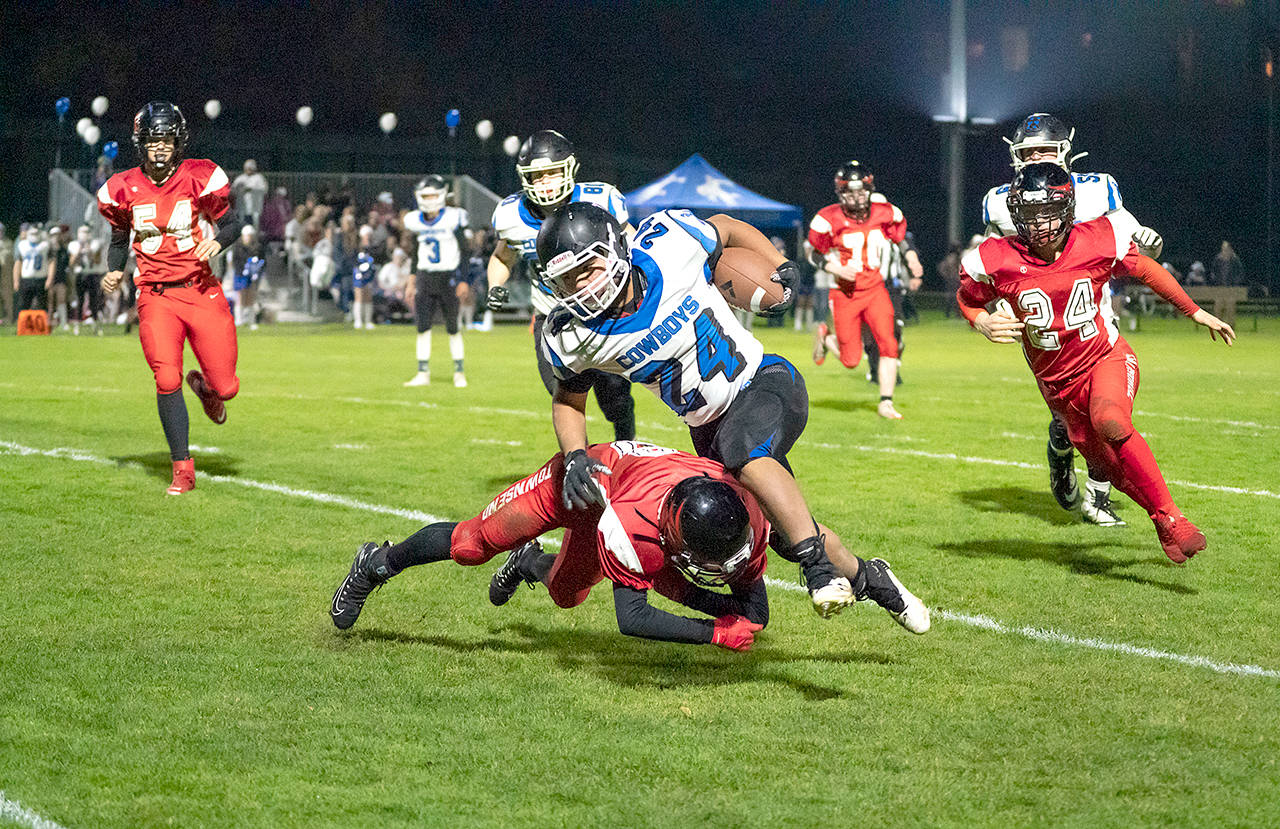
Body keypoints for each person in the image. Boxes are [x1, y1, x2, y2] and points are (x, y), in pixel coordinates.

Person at [535, 201, 929, 630]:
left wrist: (779, 262)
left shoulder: (669, 244)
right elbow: (568, 399)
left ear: (615, 249)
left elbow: (725, 227)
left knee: (743, 448)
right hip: (708, 430)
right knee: (781, 531)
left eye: (587, 269)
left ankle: (818, 570)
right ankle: (873, 580)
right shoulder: (577, 336)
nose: (581, 286)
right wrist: (574, 454)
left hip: (764, 382)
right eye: (567, 279)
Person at [330, 441, 924, 648]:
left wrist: (738, 619)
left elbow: (753, 607)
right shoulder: (635, 527)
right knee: (471, 543)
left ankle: (532, 564)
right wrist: (714, 633)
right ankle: (375, 564)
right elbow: (632, 618)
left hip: (651, 505)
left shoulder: (747, 513)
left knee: (566, 594)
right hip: (588, 486)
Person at [956, 163, 1235, 562]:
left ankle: (1174, 517)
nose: (1038, 223)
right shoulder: (995, 257)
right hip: (1058, 386)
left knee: (1112, 421)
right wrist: (981, 321)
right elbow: (968, 298)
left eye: (1047, 211)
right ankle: (1161, 518)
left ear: (1067, 209)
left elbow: (1145, 269)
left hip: (1105, 356)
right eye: (1030, 213)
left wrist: (1194, 311)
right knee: (1112, 469)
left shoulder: (1097, 238)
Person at [980, 113, 1165, 526]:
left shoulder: (1097, 189)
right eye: (1028, 152)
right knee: (1071, 419)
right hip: (1044, 328)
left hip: (1093, 315)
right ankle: (1060, 447)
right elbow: (989, 265)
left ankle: (1097, 498)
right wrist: (993, 310)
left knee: (1108, 414)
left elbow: (1133, 239)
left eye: (1045, 150)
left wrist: (1146, 241)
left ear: (1064, 151)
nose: (1036, 158)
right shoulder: (1000, 200)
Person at [97, 101, 241, 495]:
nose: (160, 147)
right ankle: (182, 468)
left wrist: (219, 242)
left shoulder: (198, 176)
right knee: (165, 377)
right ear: (140, 143)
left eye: (167, 139)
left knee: (227, 387)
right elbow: (118, 240)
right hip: (155, 295)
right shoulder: (121, 188)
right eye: (153, 140)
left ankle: (208, 390)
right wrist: (114, 269)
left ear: (179, 141)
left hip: (200, 289)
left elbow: (232, 224)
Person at [484, 130, 637, 441]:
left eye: (552, 172)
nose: (545, 182)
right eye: (537, 176)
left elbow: (632, 243)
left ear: (569, 169)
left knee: (615, 395)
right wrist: (495, 285)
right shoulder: (512, 217)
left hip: (602, 311)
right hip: (553, 317)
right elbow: (502, 256)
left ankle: (627, 444)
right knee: (561, 391)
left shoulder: (599, 200)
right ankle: (580, 457)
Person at [808, 161, 922, 419]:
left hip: (875, 290)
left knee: (889, 344)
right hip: (845, 293)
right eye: (850, 192)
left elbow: (900, 239)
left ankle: (886, 402)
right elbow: (813, 253)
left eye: (861, 191)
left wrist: (911, 257)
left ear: (870, 189)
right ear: (840, 193)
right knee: (850, 360)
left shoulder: (886, 212)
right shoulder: (827, 218)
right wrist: (834, 268)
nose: (856, 197)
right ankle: (826, 337)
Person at [401, 175, 469, 387]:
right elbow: (416, 253)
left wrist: (463, 279)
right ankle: (423, 372)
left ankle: (459, 372)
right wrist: (411, 280)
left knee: (453, 326)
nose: (429, 200)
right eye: (425, 196)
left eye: (432, 195)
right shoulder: (416, 221)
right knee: (422, 326)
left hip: (448, 277)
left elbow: (465, 251)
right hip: (425, 276)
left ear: (441, 195)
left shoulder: (453, 217)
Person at [68, 224, 106, 335]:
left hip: (92, 274)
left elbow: (97, 261)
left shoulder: (95, 244)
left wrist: (90, 252)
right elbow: (71, 263)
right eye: (82, 232)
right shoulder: (74, 245)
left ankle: (96, 324)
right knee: (79, 300)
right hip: (80, 274)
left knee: (94, 301)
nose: (84, 235)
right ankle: (78, 325)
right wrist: (79, 251)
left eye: (86, 232)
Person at [227, 224, 264, 330]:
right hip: (240, 274)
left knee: (250, 296)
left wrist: (255, 270)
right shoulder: (237, 248)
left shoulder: (257, 248)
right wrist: (244, 270)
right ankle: (239, 320)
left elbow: (261, 261)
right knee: (240, 296)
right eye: (246, 236)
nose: (248, 238)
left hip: (252, 276)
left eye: (250, 236)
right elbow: (235, 262)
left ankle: (250, 320)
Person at [14, 225, 49, 313]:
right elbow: (18, 263)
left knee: (41, 305)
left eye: (36, 233)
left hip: (40, 278)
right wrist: (16, 280)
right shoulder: (22, 244)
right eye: (32, 233)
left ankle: (40, 321)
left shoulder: (45, 245)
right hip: (26, 279)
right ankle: (23, 321)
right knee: (23, 305)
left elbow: (52, 261)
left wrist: (49, 279)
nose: (34, 235)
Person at [230, 159, 268, 229]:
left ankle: (255, 235)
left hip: (255, 208)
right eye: (247, 168)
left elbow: (264, 189)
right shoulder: (240, 178)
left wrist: (251, 189)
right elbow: (233, 189)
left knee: (255, 224)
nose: (248, 170)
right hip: (242, 208)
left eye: (250, 168)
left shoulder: (259, 178)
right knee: (241, 225)